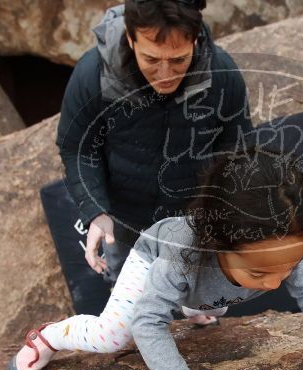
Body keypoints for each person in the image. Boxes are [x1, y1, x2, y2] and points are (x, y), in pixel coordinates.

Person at [9, 147, 303, 370]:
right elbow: (148, 323)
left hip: (201, 291)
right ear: (219, 245)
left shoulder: (284, 245)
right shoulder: (181, 256)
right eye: (259, 272)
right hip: (152, 259)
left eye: (287, 267)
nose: (274, 283)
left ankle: (195, 307)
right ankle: (49, 336)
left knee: (212, 306)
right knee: (114, 336)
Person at [57, 0, 252, 324]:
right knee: (130, 321)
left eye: (178, 60)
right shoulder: (94, 73)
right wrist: (95, 210)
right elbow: (77, 147)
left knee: (207, 304)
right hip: (125, 219)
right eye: (151, 59)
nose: (165, 74)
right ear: (131, 39)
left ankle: (193, 308)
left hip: (192, 216)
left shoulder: (221, 72)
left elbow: (236, 146)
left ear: (194, 40)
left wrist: (227, 209)